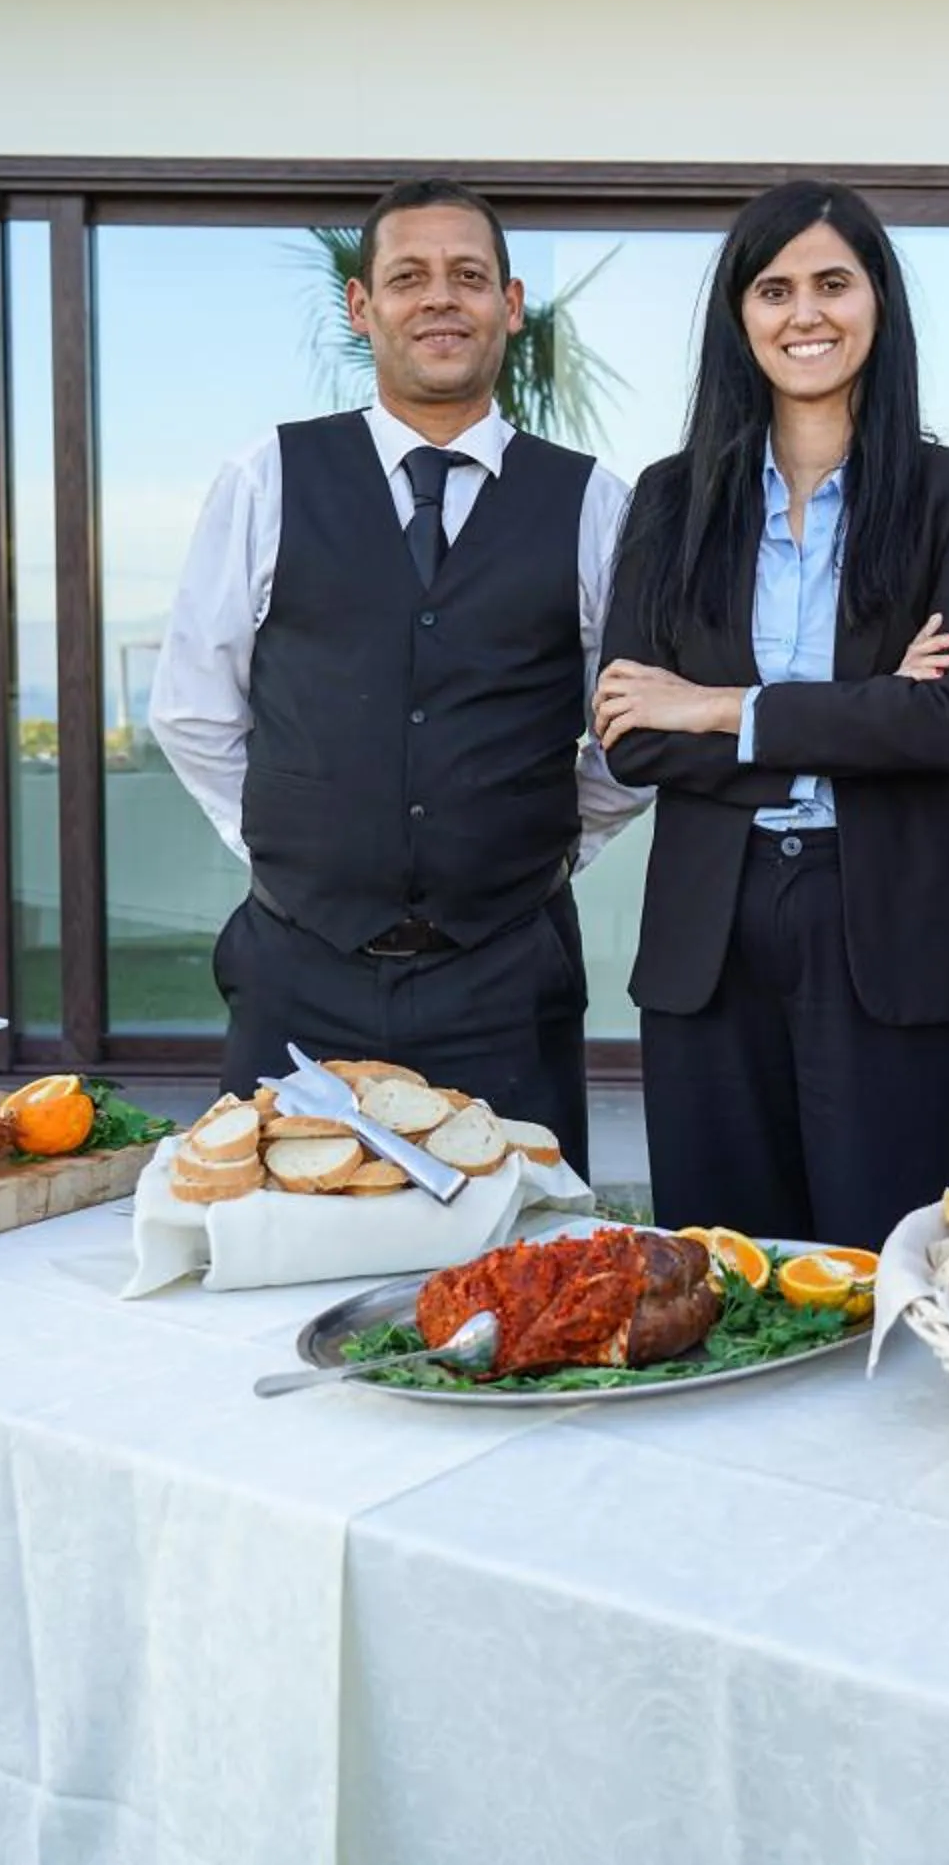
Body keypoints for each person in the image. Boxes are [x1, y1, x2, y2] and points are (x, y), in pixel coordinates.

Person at [149, 176, 645, 1172]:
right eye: (409, 277)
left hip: (507, 979)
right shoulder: (268, 478)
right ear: (361, 307)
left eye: (468, 276)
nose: (439, 298)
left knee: (518, 1271)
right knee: (270, 1250)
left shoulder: (593, 501)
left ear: (510, 306)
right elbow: (194, 709)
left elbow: (634, 730)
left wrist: (544, 849)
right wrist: (292, 846)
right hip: (298, 970)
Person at [593, 180, 949, 1248]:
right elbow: (634, 732)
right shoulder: (667, 499)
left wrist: (717, 708)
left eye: (833, 283)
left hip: (895, 924)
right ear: (738, 316)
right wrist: (854, 719)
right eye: (775, 288)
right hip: (714, 928)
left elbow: (942, 725)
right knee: (724, 1267)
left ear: (878, 301)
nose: (806, 314)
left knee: (892, 1260)